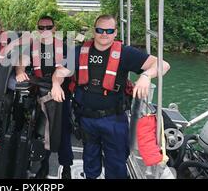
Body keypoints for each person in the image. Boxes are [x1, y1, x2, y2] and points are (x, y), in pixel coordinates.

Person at [51, 14, 170, 179]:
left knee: (116, 163)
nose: (104, 34)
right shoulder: (79, 52)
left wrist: (146, 76)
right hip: (85, 118)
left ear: (115, 33)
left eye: (109, 30)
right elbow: (59, 72)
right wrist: (56, 84)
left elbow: (163, 65)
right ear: (94, 31)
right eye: (100, 30)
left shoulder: (126, 53)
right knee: (90, 159)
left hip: (113, 119)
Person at [15, 16, 74, 179]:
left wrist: (56, 84)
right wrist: (20, 72)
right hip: (38, 92)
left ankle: (66, 167)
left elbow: (63, 70)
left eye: (49, 27)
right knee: (38, 131)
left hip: (59, 94)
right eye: (41, 27)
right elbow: (21, 61)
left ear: (54, 28)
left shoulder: (65, 47)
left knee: (62, 131)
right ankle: (43, 166)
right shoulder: (32, 46)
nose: (45, 31)